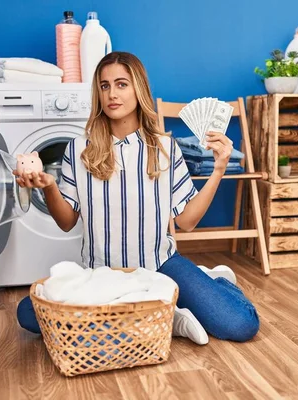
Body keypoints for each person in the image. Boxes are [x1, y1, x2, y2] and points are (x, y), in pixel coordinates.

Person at [14, 51, 259, 344]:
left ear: (138, 89)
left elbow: (188, 222)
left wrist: (219, 168)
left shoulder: (166, 148)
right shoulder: (79, 149)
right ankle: (171, 318)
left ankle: (211, 283)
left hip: (162, 266)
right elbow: (67, 222)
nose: (111, 94)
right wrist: (49, 187)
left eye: (121, 84)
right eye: (104, 86)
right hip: (102, 276)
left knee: (241, 325)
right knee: (29, 314)